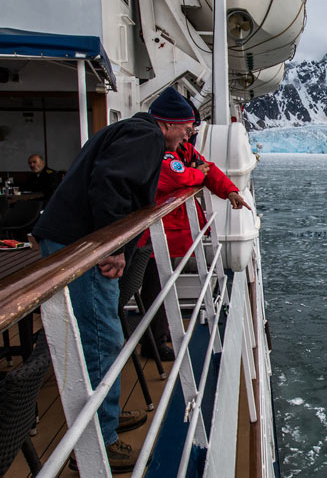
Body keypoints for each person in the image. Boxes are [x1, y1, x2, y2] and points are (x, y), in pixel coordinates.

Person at [32, 87, 195, 473]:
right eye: (186, 129)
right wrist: (112, 245)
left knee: (99, 332)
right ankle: (99, 441)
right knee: (102, 335)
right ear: (169, 123)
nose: (188, 137)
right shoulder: (147, 136)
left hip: (74, 237)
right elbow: (110, 182)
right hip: (83, 244)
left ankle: (103, 413)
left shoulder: (131, 129)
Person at [138, 115, 251, 361]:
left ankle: (160, 333)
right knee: (155, 289)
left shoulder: (183, 150)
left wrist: (229, 190)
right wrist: (195, 173)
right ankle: (153, 345)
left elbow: (208, 170)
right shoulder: (164, 154)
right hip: (157, 236)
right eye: (188, 130)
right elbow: (179, 177)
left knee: (164, 286)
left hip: (171, 235)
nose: (189, 135)